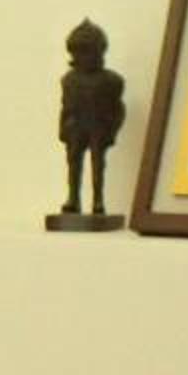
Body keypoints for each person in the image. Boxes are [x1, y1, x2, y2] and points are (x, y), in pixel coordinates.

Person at [56, 19, 126, 223]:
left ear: (99, 52)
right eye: (79, 52)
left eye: (87, 52)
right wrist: (62, 128)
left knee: (97, 164)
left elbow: (118, 109)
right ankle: (73, 199)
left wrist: (112, 130)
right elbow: (65, 106)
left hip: (98, 127)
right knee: (73, 164)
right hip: (76, 127)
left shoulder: (111, 80)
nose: (83, 57)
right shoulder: (69, 80)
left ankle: (98, 200)